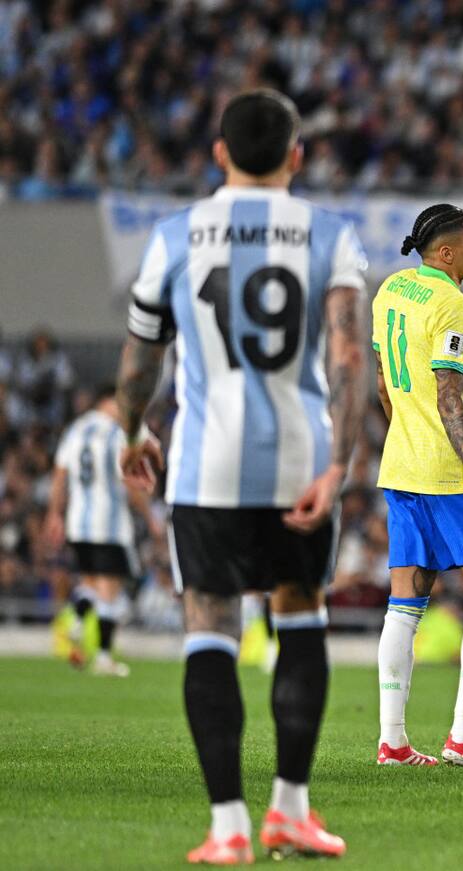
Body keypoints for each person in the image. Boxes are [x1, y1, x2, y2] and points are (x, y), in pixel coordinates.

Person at [116, 89, 367, 863]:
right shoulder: (331, 236)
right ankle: (289, 808)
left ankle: (227, 824)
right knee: (300, 614)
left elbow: (140, 360)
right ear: (297, 155)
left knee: (211, 627)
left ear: (218, 154)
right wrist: (339, 464)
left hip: (205, 464)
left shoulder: (175, 235)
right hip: (297, 458)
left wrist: (131, 431)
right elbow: (350, 356)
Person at [373, 203, 463, 770]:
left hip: (400, 468)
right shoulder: (452, 304)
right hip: (451, 475)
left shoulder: (391, 290)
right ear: (446, 252)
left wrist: (404, 437)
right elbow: (448, 396)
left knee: (404, 604)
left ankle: (393, 741)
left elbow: (385, 382)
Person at [44, 385, 160, 677]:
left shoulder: (75, 430)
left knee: (92, 584)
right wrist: (150, 517)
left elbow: (60, 474)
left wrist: (55, 514)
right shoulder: (116, 433)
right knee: (110, 590)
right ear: (109, 402)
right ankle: (104, 656)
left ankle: (78, 620)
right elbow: (129, 481)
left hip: (78, 523)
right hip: (108, 523)